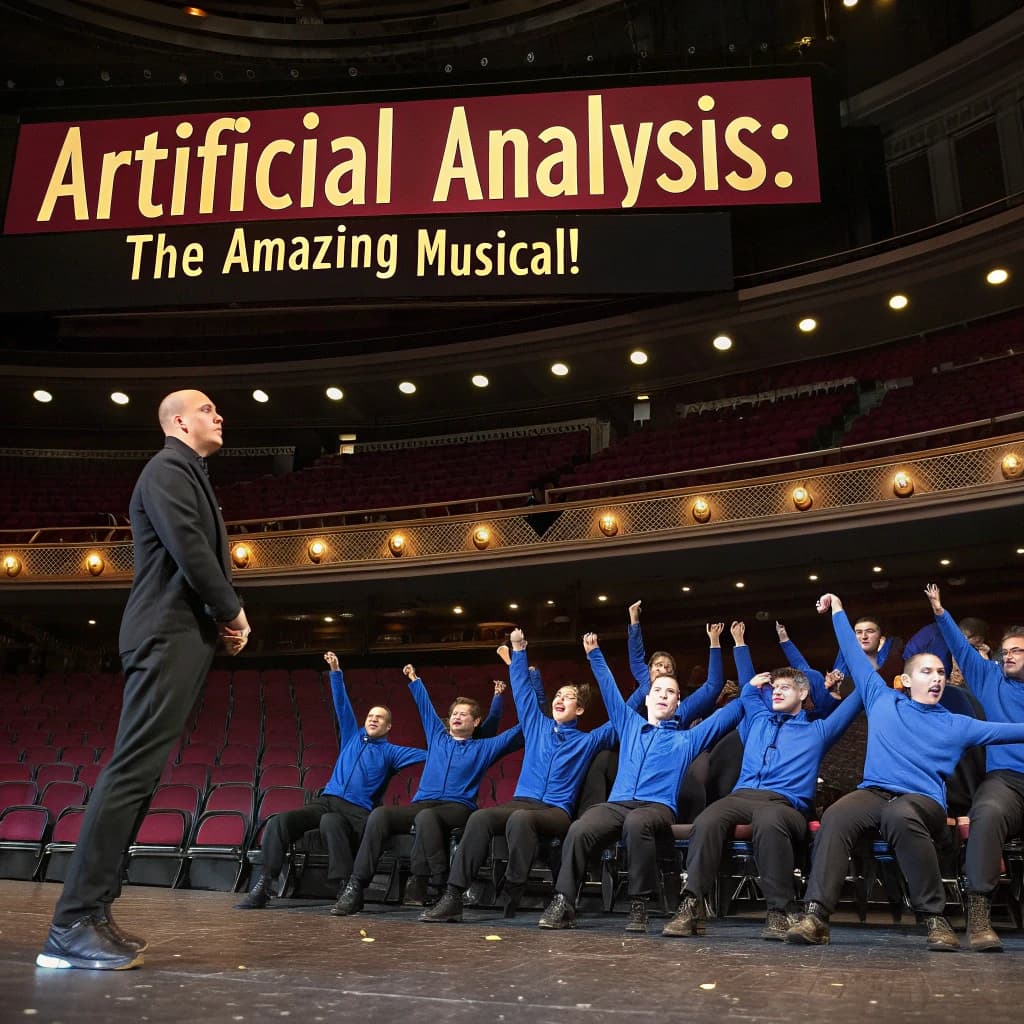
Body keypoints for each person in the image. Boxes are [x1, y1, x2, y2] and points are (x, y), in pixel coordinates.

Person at [37, 390, 250, 972]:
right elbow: (190, 549)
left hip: (177, 635)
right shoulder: (167, 468)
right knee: (131, 771)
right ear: (178, 421)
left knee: (142, 774)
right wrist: (231, 610)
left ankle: (95, 910)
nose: (219, 415)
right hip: (165, 634)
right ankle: (71, 923)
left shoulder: (187, 471)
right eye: (208, 409)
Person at [786, 593, 1024, 951]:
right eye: (927, 671)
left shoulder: (957, 724)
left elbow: (1010, 730)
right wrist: (837, 608)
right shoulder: (883, 699)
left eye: (941, 672)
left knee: (900, 813)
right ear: (905, 680)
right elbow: (852, 651)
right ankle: (817, 916)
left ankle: (934, 918)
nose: (937, 678)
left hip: (922, 802)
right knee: (836, 814)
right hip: (875, 793)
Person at [421, 627, 642, 923]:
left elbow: (622, 713)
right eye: (559, 695)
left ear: (580, 709)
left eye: (569, 697)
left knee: (521, 818)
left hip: (554, 810)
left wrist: (646, 687)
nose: (560, 699)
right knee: (480, 817)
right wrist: (518, 650)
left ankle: (514, 885)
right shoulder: (536, 726)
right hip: (521, 800)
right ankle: (453, 896)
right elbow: (523, 692)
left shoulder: (588, 740)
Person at [538, 632, 742, 933]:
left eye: (670, 692)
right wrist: (594, 653)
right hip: (618, 803)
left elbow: (728, 714)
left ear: (677, 702)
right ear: (647, 697)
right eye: (657, 690)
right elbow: (608, 690)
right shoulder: (629, 724)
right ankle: (564, 901)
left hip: (656, 807)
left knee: (636, 822)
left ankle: (639, 903)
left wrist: (750, 689)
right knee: (580, 827)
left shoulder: (686, 739)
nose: (662, 694)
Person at [663, 634, 862, 941]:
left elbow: (860, 696)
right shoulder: (758, 719)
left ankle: (779, 911)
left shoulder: (819, 730)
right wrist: (750, 682)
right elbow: (748, 694)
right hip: (742, 796)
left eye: (785, 687)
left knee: (769, 822)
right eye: (774, 687)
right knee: (708, 819)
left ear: (804, 692)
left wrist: (863, 666)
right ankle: (691, 905)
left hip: (784, 803)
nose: (776, 692)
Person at [235, 651, 427, 910]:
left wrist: (455, 745)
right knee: (280, 822)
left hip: (357, 810)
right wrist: (336, 672)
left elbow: (431, 754)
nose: (372, 718)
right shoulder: (352, 736)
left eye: (379, 717)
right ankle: (265, 883)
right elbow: (342, 704)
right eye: (370, 715)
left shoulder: (392, 752)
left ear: (388, 727)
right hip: (327, 800)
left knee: (331, 824)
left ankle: (346, 887)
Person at [331, 664, 523, 915]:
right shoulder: (437, 737)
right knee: (380, 815)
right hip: (424, 802)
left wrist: (531, 690)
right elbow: (425, 707)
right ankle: (356, 887)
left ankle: (441, 885)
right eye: (454, 713)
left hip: (457, 806)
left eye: (464, 714)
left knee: (426, 817)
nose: (456, 717)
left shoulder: (484, 747)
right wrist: (414, 679)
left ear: (476, 721)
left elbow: (522, 729)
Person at [925, 583, 1024, 951]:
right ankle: (979, 916)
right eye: (1005, 650)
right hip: (1007, 781)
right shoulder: (989, 678)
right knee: (987, 811)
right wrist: (940, 613)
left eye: (1016, 651)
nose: (1007, 655)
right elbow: (961, 650)